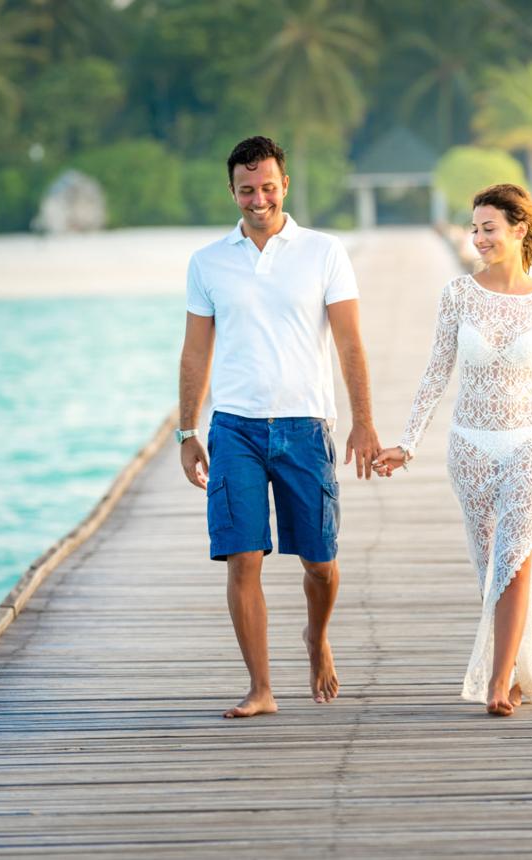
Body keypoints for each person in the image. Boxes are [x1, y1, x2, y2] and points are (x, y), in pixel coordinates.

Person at [177, 136, 381, 719]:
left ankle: (316, 639)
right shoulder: (207, 262)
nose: (258, 198)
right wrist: (187, 432)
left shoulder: (324, 252)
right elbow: (195, 353)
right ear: (232, 191)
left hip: (306, 424)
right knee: (243, 557)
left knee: (320, 563)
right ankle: (261, 688)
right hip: (234, 428)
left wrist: (363, 422)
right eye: (247, 189)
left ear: (284, 185)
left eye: (268, 187)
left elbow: (349, 342)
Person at [373, 184, 532, 717]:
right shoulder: (458, 295)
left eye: (489, 228)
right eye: (475, 228)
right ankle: (516, 669)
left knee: (517, 561)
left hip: (530, 446)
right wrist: (408, 443)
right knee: (490, 564)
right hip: (468, 447)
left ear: (519, 229)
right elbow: (435, 372)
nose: (479, 238)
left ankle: (497, 681)